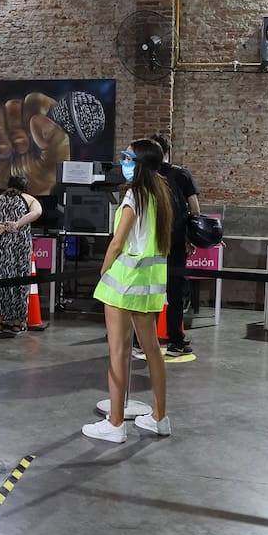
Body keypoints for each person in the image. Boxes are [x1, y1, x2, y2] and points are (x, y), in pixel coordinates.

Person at [82, 139, 174, 442]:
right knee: (153, 351)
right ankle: (160, 417)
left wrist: (104, 269)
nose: (122, 160)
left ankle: (115, 423)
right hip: (150, 285)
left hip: (123, 283)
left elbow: (118, 242)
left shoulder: (134, 195)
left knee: (118, 352)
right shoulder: (161, 193)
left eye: (128, 156)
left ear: (141, 163)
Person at [151, 132, 200, 356]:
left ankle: (139, 341)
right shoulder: (182, 175)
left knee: (147, 292)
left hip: (148, 243)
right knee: (175, 292)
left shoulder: (145, 176)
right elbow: (195, 210)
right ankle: (175, 341)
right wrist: (191, 238)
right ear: (169, 151)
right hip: (175, 240)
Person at [0, 175, 42, 334]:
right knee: (19, 282)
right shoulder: (28, 198)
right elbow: (37, 213)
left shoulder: (0, 198)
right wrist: (17, 224)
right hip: (18, 246)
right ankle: (17, 323)